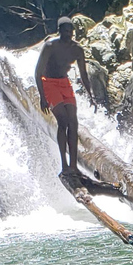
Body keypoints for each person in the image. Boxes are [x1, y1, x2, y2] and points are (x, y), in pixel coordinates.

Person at [35, 16, 95, 175]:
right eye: (65, 31)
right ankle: (64, 165)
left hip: (64, 83)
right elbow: (37, 72)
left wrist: (91, 96)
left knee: (73, 123)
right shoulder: (49, 47)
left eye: (70, 31)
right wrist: (42, 97)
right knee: (63, 121)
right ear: (59, 31)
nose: (68, 34)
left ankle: (73, 166)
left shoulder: (77, 49)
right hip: (49, 83)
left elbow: (83, 74)